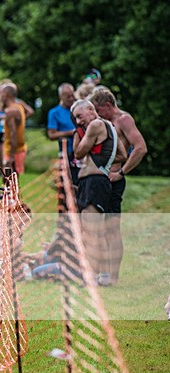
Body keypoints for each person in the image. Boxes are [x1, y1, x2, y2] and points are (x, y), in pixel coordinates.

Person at [89, 86, 148, 284]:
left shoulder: (123, 120)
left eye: (97, 110)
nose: (96, 115)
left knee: (111, 228)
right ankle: (101, 272)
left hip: (114, 179)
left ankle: (113, 276)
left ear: (107, 105)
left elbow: (140, 148)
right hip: (99, 179)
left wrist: (121, 172)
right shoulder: (103, 122)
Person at [71, 99, 126, 283]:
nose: (79, 122)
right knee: (98, 230)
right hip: (100, 181)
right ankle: (102, 274)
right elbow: (122, 154)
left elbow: (77, 153)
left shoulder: (95, 124)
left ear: (90, 109)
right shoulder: (110, 126)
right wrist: (103, 158)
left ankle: (92, 276)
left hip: (93, 182)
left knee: (90, 231)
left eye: (79, 116)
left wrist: (78, 135)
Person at [47, 83, 78, 183]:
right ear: (60, 96)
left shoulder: (77, 110)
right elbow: (51, 135)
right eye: (68, 96)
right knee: (67, 183)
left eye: (72, 95)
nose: (71, 98)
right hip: (66, 153)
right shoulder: (54, 113)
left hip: (81, 153)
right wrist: (70, 133)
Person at [0, 83, 28, 175]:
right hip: (18, 149)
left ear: (6, 95)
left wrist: (11, 157)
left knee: (8, 182)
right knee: (12, 184)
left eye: (1, 93)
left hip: (13, 151)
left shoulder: (11, 111)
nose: (0, 96)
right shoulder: (19, 107)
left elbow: (13, 134)